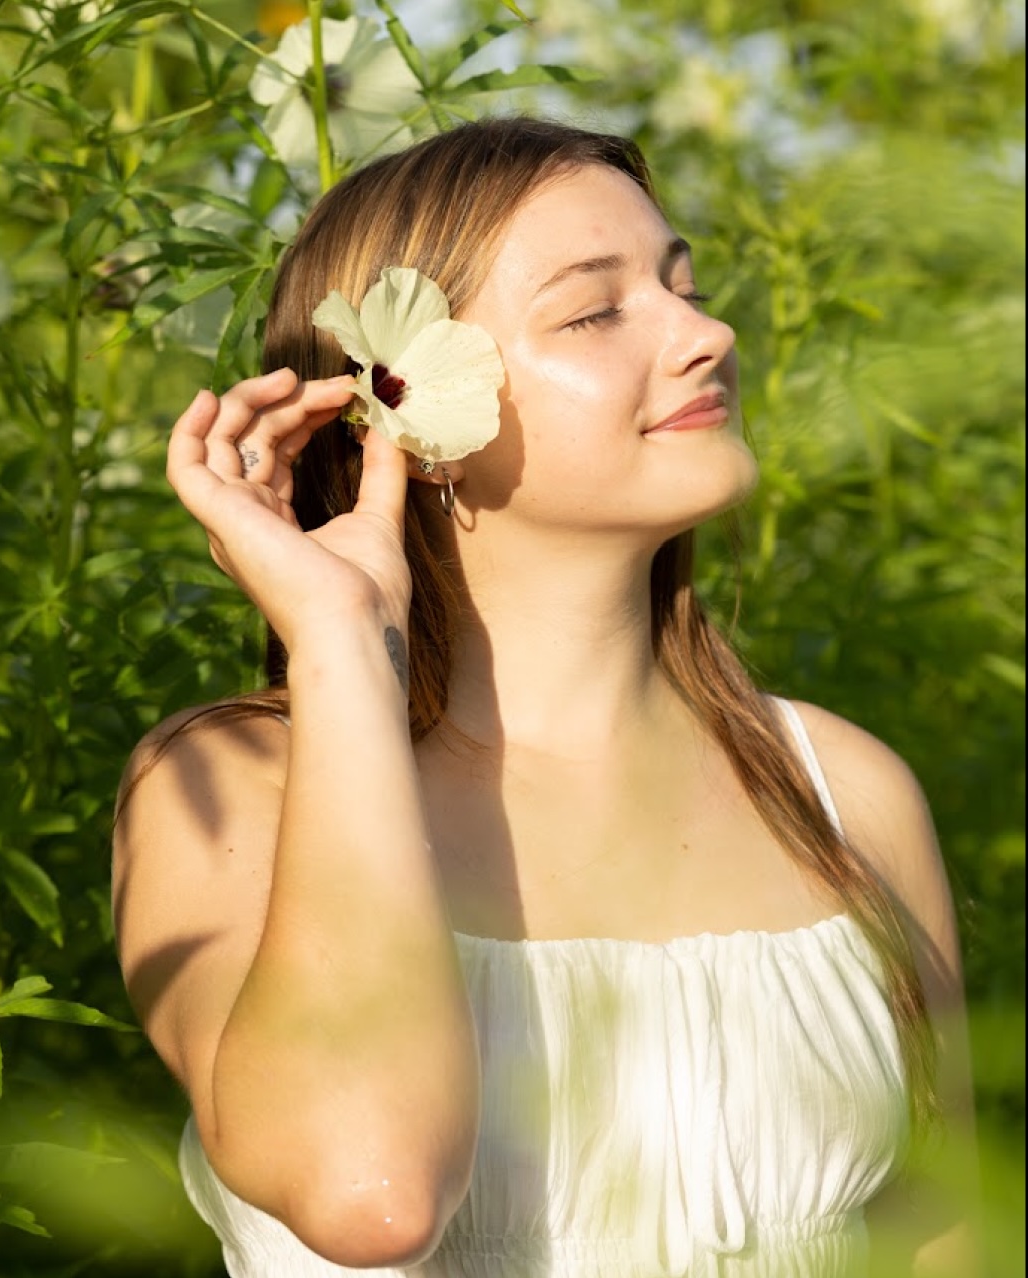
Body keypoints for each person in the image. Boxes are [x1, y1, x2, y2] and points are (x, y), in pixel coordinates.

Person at [112, 118, 977, 1277]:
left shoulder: (847, 795)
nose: (706, 333)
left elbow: (948, 1241)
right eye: (595, 310)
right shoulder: (226, 791)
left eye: (683, 285)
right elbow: (368, 1196)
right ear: (409, 416)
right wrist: (336, 645)